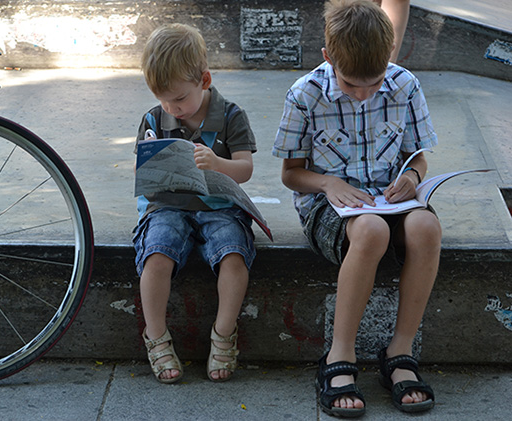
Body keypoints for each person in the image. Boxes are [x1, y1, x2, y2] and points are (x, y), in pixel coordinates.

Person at [272, 0, 439, 417]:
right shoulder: (305, 94)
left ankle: (399, 352)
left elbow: (417, 157)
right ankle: (339, 356)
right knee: (371, 231)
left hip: (390, 200)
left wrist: (413, 178)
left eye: (374, 81)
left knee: (426, 228)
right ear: (328, 58)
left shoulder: (405, 84)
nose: (364, 94)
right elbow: (291, 174)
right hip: (328, 210)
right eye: (350, 85)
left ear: (389, 55)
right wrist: (329, 183)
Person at [134, 23, 257, 383]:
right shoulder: (155, 118)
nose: (172, 107)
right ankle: (155, 336)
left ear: (204, 80)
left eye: (179, 99)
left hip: (219, 206)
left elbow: (246, 169)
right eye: (163, 99)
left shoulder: (231, 115)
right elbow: (145, 170)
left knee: (233, 253)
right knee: (157, 252)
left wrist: (218, 165)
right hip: (168, 205)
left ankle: (223, 333)